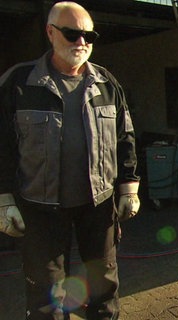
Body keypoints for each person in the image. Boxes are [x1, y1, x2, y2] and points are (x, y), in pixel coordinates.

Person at [0, 2, 140, 319]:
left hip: (98, 204)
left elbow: (125, 135)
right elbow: (2, 144)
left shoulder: (107, 83)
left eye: (88, 35)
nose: (81, 42)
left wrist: (129, 186)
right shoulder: (19, 84)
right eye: (72, 33)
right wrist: (3, 196)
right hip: (40, 207)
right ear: (50, 33)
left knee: (104, 289)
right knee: (46, 297)